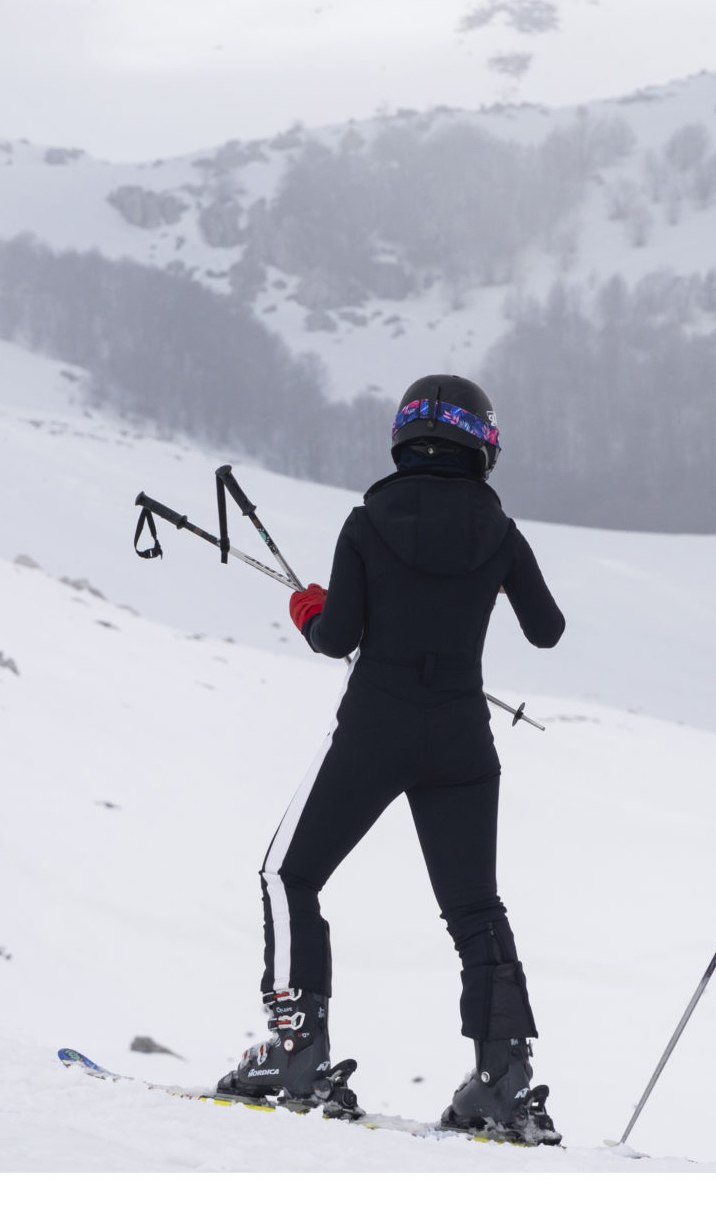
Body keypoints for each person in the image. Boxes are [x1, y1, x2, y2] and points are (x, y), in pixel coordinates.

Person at [216, 374, 567, 1145]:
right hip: (462, 738)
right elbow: (547, 629)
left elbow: (337, 636)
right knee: (476, 909)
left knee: (288, 874)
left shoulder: (367, 522)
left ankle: (297, 1053)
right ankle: (503, 1081)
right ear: (483, 443)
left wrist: (310, 610)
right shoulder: (501, 531)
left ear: (404, 437)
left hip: (376, 728)